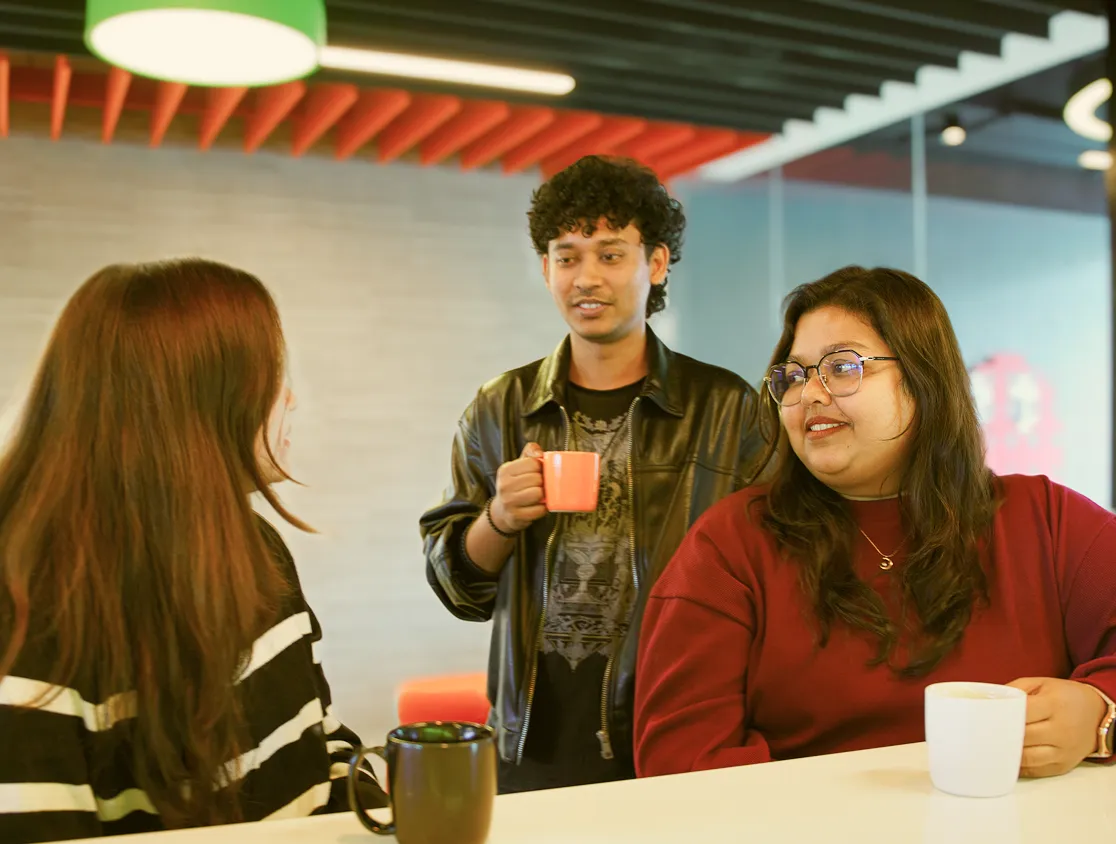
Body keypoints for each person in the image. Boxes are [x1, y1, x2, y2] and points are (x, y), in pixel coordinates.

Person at [634, 265, 1116, 778]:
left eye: (841, 367)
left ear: (923, 377)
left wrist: (1100, 713)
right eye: (793, 376)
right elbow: (679, 763)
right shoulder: (730, 545)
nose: (810, 395)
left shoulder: (1044, 519)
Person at [0, 259, 383, 843]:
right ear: (199, 402)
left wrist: (384, 803)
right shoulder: (31, 605)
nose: (292, 401)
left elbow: (317, 742)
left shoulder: (255, 544)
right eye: (271, 375)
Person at [420, 155, 765, 793]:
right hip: (531, 741)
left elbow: (772, 574)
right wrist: (499, 519)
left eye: (610, 254)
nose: (586, 278)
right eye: (566, 255)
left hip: (673, 727)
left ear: (655, 264)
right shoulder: (500, 407)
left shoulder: (726, 407)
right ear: (546, 268)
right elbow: (455, 587)